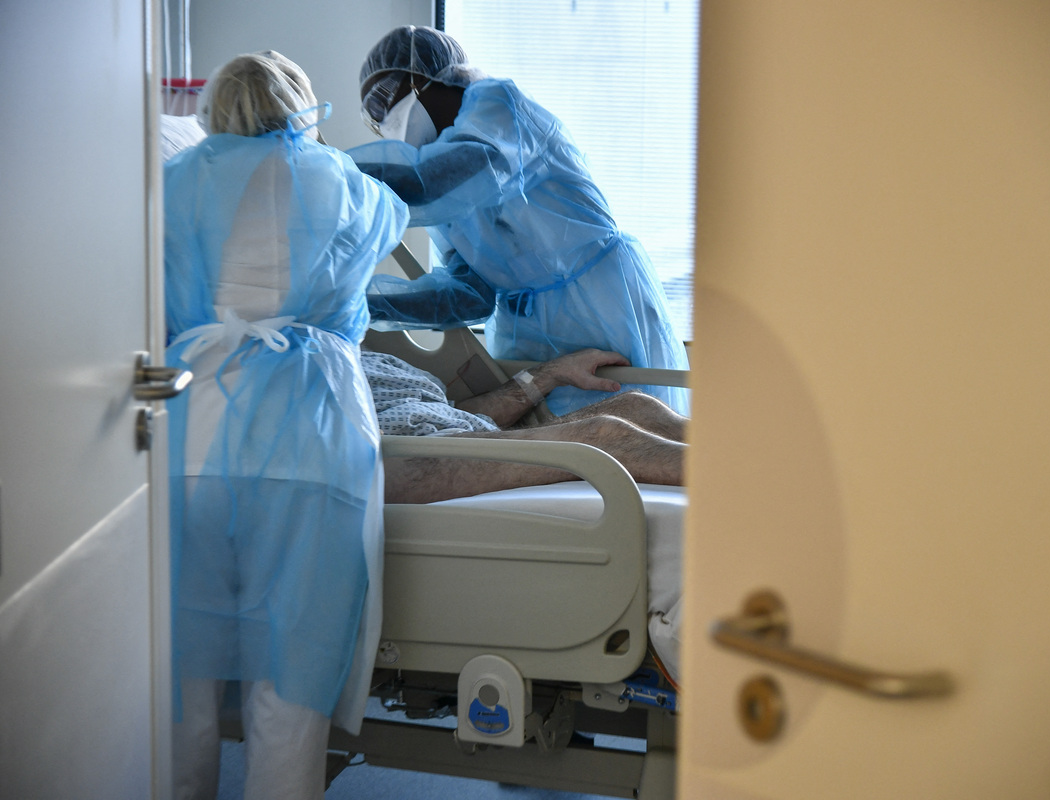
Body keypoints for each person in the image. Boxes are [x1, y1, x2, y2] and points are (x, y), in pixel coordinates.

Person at [163, 52, 408, 800]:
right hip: (311, 436)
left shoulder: (165, 187)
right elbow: (361, 297)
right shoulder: (346, 187)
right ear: (300, 108)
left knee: (178, 677)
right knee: (290, 676)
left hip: (185, 429)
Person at [348, 25, 691, 418]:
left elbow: (436, 178)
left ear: (427, 78)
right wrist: (359, 303)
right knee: (547, 453)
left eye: (384, 100)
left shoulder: (498, 106)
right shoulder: (445, 196)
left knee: (630, 425)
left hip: (601, 305)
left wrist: (327, 172)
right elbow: (468, 295)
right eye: (373, 119)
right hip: (522, 334)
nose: (383, 121)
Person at [362, 346, 686, 504]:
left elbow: (452, 412)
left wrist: (549, 374)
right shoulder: (316, 362)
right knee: (604, 437)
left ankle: (734, 457)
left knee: (636, 406)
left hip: (457, 437)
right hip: (393, 461)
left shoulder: (359, 352)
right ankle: (734, 488)